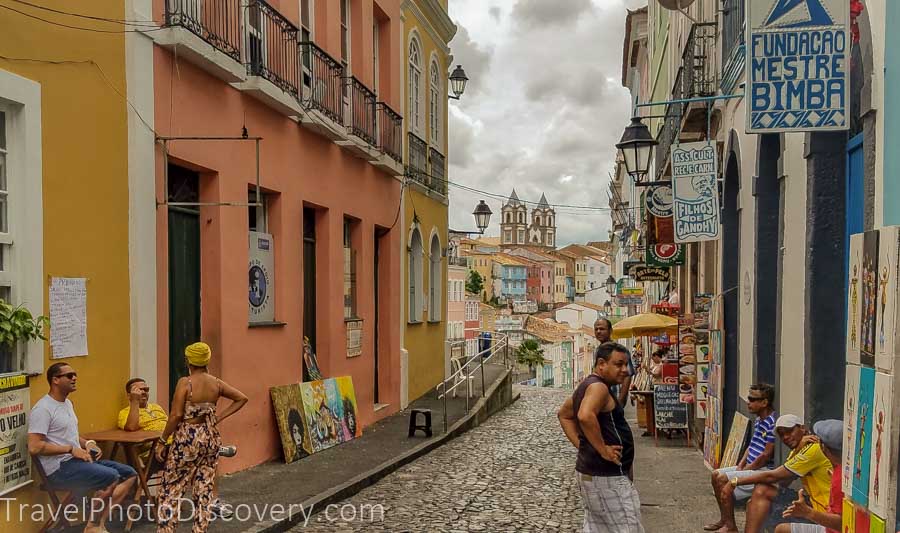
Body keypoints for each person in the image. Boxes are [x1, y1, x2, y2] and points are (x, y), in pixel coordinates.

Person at [28, 362, 138, 533]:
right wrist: (71, 449)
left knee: (129, 474)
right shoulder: (43, 409)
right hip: (58, 469)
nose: (74, 378)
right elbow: (34, 446)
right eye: (69, 375)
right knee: (111, 477)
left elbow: (68, 436)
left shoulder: (67, 404)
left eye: (75, 375)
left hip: (76, 462)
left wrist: (88, 444)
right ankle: (92, 527)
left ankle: (98, 523)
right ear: (55, 380)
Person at [155, 342, 248, 533]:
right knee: (204, 488)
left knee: (171, 488)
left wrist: (163, 440)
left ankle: (166, 530)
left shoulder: (185, 383)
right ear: (206, 360)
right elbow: (241, 398)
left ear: (189, 360)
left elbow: (175, 415)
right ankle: (199, 530)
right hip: (210, 437)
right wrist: (218, 417)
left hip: (188, 437)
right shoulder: (216, 382)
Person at [118, 377, 236, 517]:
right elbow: (131, 427)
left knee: (209, 459)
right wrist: (134, 402)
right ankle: (213, 448)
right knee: (207, 453)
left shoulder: (156, 408)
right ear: (129, 394)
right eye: (139, 390)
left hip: (176, 446)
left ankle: (213, 502)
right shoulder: (125, 412)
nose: (143, 392)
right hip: (155, 453)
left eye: (146, 389)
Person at [558, 342, 643, 532]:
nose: (624, 370)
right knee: (628, 527)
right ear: (602, 364)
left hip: (595, 475)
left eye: (626, 364)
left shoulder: (588, 385)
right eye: (619, 364)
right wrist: (602, 449)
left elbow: (564, 414)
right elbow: (584, 415)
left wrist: (583, 445)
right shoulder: (599, 388)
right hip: (606, 477)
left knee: (598, 527)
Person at [728, 414, 833, 533]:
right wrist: (796, 451)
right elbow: (784, 483)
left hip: (824, 510)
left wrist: (735, 481)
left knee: (760, 497)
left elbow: (773, 476)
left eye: (789, 431)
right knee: (758, 495)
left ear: (802, 428)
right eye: (782, 435)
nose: (786, 437)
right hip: (813, 502)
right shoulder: (798, 449)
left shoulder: (813, 448)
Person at [704, 384, 778, 532]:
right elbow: (751, 445)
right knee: (715, 475)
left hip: (762, 470)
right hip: (750, 466)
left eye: (752, 399)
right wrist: (741, 465)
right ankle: (726, 520)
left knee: (722, 479)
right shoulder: (759, 420)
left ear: (764, 402)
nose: (748, 402)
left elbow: (766, 455)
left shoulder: (772, 423)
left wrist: (747, 470)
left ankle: (730, 525)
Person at [775, 419, 844, 533]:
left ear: (822, 446)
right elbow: (783, 481)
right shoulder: (840, 471)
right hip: (822, 511)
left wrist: (808, 513)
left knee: (781, 529)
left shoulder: (839, 477)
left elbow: (841, 524)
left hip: (829, 524)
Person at [594, 318, 635, 405]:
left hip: (615, 397)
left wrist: (621, 399)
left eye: (602, 329)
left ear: (610, 331)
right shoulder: (597, 351)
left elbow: (627, 375)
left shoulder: (620, 351)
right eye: (596, 329)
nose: (598, 331)